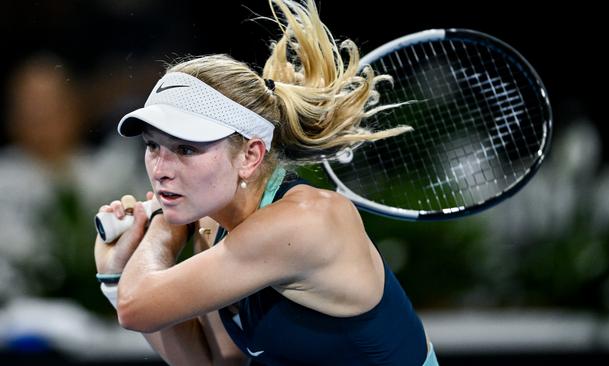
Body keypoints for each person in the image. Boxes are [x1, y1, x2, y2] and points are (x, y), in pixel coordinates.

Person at [93, 1, 438, 365]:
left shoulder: (306, 222)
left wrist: (162, 230)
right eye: (152, 146)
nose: (161, 168)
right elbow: (213, 360)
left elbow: (137, 308)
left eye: (186, 149)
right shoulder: (213, 225)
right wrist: (117, 275)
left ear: (250, 156)